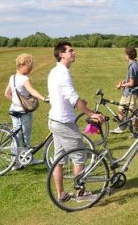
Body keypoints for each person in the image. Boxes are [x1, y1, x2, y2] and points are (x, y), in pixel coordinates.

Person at [47, 41, 105, 202]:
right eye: (70, 51)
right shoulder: (63, 73)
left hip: (54, 120)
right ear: (61, 54)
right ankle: (81, 193)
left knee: (59, 158)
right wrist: (91, 113)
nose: (74, 53)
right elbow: (72, 98)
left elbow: (61, 96)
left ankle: (61, 194)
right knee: (79, 155)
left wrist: (81, 102)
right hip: (64, 123)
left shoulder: (54, 71)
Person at [4, 53, 47, 165]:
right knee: (25, 136)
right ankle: (28, 159)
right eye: (30, 66)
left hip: (14, 110)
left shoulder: (12, 77)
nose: (31, 69)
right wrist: (43, 98)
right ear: (22, 65)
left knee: (16, 136)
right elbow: (32, 91)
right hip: (24, 112)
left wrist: (16, 102)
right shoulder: (24, 79)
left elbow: (7, 94)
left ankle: (15, 161)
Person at [111, 46, 138, 134]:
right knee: (130, 111)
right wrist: (124, 81)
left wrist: (121, 85)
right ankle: (131, 130)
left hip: (130, 93)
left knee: (126, 110)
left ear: (128, 55)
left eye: (125, 54)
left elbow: (131, 83)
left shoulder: (132, 66)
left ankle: (123, 128)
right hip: (131, 92)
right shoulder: (135, 64)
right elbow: (133, 80)